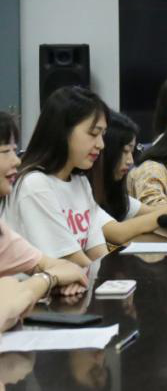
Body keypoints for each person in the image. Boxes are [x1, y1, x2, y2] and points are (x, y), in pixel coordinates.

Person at [3, 87, 115, 266]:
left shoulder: (81, 183)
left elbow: (98, 253)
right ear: (62, 131)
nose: (101, 144)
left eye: (103, 135)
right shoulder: (35, 184)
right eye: (93, 133)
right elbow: (70, 259)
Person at [0, 111, 89, 330]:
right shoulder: (35, 184)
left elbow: (69, 267)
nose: (17, 160)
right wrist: (46, 281)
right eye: (5, 151)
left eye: (15, 150)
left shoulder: (2, 235)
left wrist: (50, 278)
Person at [91, 110, 167, 245]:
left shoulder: (114, 193)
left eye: (131, 152)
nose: (130, 161)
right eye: (124, 151)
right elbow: (118, 233)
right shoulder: (151, 169)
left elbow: (150, 212)